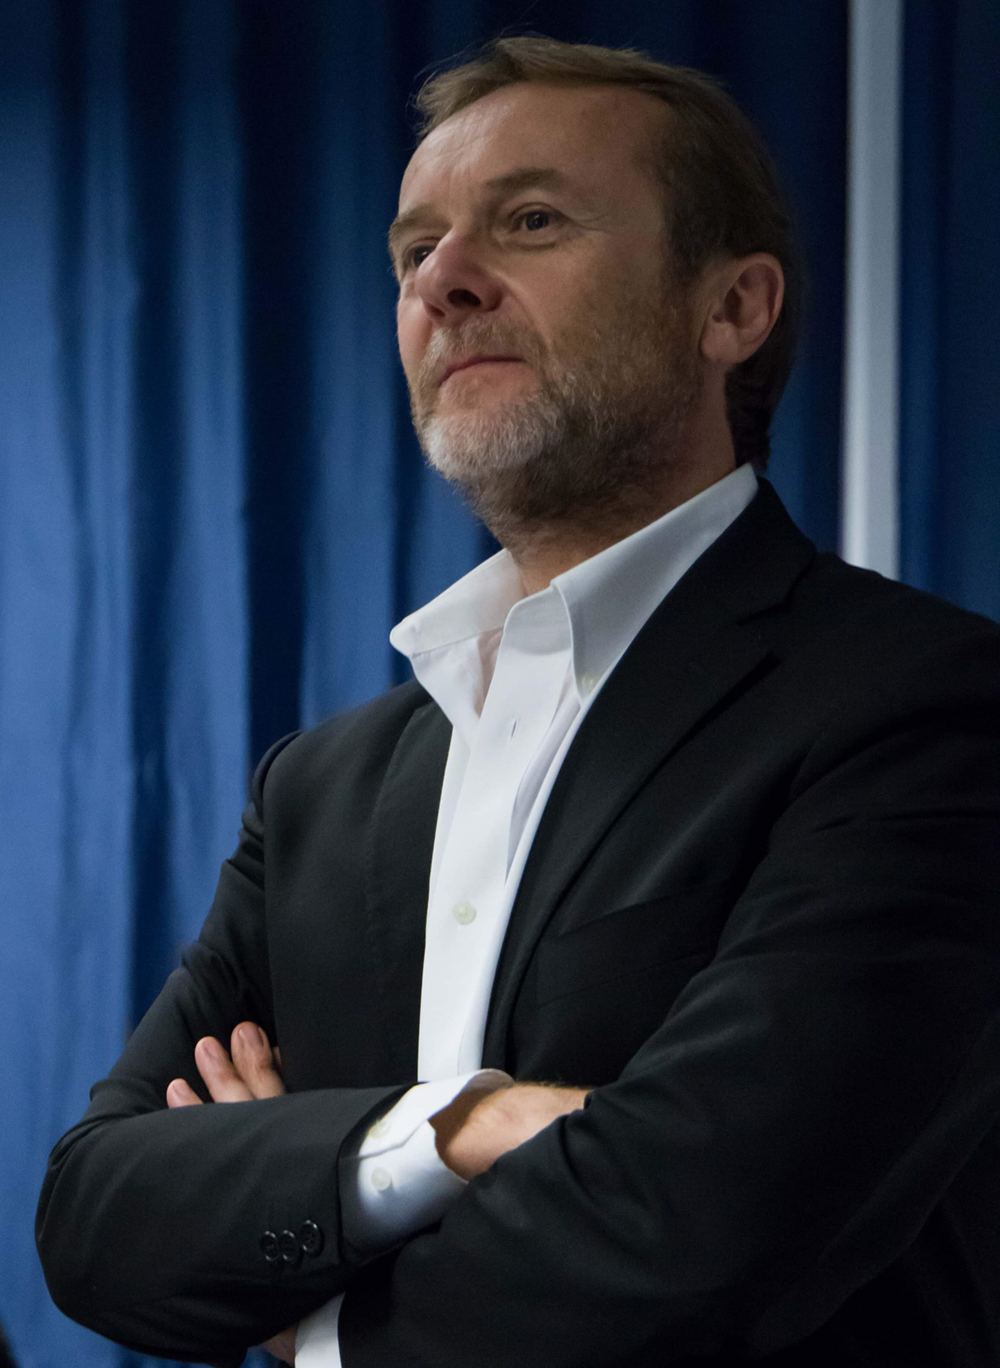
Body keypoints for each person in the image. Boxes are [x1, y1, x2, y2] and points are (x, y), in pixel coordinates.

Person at [36, 35, 1000, 1368]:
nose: (444, 279)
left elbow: (701, 1229)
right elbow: (93, 1220)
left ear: (732, 309)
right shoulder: (315, 792)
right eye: (412, 249)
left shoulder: (930, 705)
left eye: (531, 220)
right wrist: (460, 1128)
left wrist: (315, 1306)